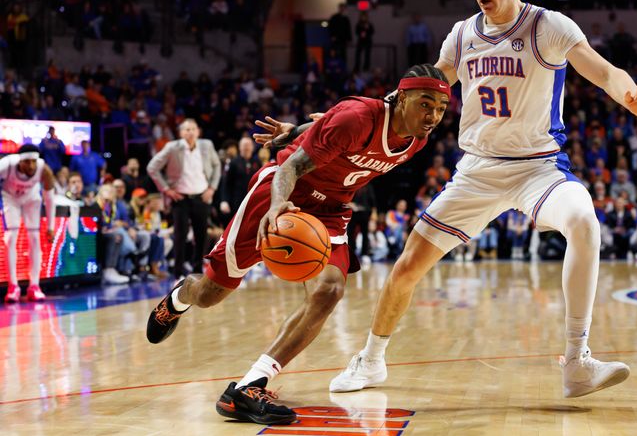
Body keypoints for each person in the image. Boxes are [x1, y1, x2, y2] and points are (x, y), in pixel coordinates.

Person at [330, 0, 637, 398]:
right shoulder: (462, 34)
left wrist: (635, 100)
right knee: (407, 267)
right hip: (477, 170)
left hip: (538, 168)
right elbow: (422, 89)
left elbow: (604, 71)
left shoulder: (548, 26)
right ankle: (370, 360)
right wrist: (343, 118)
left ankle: (577, 360)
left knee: (584, 222)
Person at [144, 65, 450, 426]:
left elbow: (325, 130)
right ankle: (181, 296)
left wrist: (299, 130)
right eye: (424, 104)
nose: (432, 116)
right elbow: (291, 167)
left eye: (441, 109)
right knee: (211, 293)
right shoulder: (357, 118)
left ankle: (250, 386)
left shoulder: (417, 139)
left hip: (332, 209)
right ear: (401, 98)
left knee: (330, 290)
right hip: (284, 191)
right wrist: (277, 205)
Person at [146, 119, 220, 277]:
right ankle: (178, 272)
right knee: (180, 235)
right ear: (180, 133)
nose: (190, 132)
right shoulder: (172, 147)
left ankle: (197, 270)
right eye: (186, 129)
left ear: (198, 131)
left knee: (201, 235)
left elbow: (217, 165)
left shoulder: (206, 145)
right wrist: (166, 189)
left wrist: (212, 188)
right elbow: (152, 167)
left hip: (202, 196)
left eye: (193, 129)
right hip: (180, 198)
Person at [1, 145, 56, 302]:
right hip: (10, 198)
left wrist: (51, 227)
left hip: (31, 199)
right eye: (27, 162)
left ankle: (35, 286)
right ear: (20, 161)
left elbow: (50, 199)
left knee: (35, 239)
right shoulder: (6, 165)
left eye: (34, 161)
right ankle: (13, 286)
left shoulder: (44, 170)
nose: (31, 166)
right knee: (10, 238)